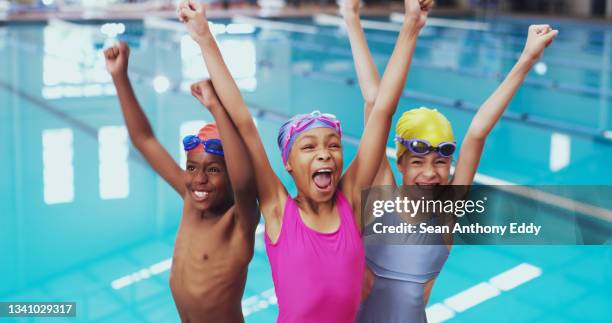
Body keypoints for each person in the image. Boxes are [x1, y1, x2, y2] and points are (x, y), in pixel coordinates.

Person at [176, 0, 431, 320]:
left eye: (333, 146)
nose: (324, 152)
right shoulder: (278, 211)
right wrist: (204, 37)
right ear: (289, 164)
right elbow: (244, 123)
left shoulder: (350, 202)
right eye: (309, 148)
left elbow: (382, 110)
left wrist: (411, 26)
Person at [341, 0, 558, 320]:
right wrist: (352, 17)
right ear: (399, 164)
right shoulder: (379, 197)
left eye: (440, 162)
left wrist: (526, 58)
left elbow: (477, 134)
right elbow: (375, 102)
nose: (429, 173)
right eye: (417, 162)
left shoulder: (446, 214)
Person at [104, 42, 259, 323]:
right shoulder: (191, 200)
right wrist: (120, 77)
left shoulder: (239, 221)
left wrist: (216, 108)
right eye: (191, 167)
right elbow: (145, 141)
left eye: (213, 170)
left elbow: (245, 183)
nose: (198, 179)